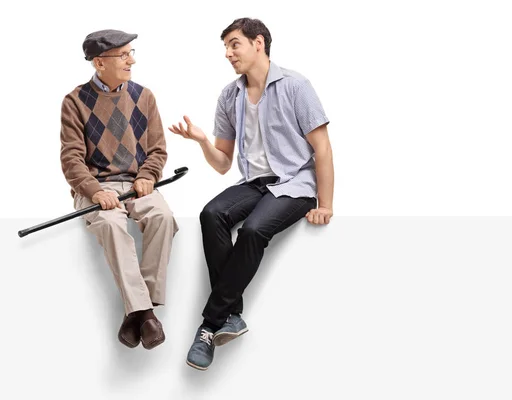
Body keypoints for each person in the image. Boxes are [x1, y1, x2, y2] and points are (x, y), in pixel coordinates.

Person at [169, 18, 334, 370]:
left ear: (258, 43)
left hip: (295, 184)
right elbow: (223, 163)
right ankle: (232, 315)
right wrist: (201, 141)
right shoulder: (230, 96)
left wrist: (326, 205)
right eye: (226, 47)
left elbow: (322, 148)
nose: (228, 54)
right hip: (255, 183)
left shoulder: (295, 86)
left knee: (253, 230)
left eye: (234, 44)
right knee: (211, 213)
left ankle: (210, 324)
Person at [60, 29, 178, 350]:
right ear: (100, 63)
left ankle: (140, 312)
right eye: (124, 55)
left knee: (163, 217)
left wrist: (148, 175)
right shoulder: (74, 102)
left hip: (138, 185)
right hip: (97, 187)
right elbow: (71, 159)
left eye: (132, 52)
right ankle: (145, 315)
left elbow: (157, 150)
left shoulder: (145, 96)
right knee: (112, 226)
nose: (132, 60)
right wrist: (94, 191)